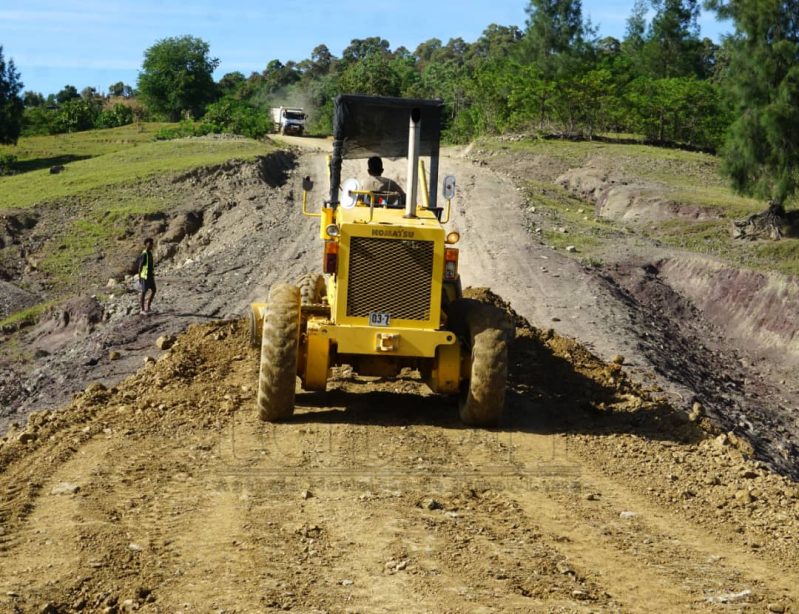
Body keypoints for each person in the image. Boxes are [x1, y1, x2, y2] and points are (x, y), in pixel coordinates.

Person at [136, 238, 156, 315]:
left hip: (150, 276)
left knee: (154, 290)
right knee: (144, 292)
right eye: (150, 243)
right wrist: (140, 277)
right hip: (145, 276)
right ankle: (142, 309)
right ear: (146, 244)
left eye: (152, 243)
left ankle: (148, 307)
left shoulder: (150, 254)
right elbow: (140, 267)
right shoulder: (144, 254)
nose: (151, 245)